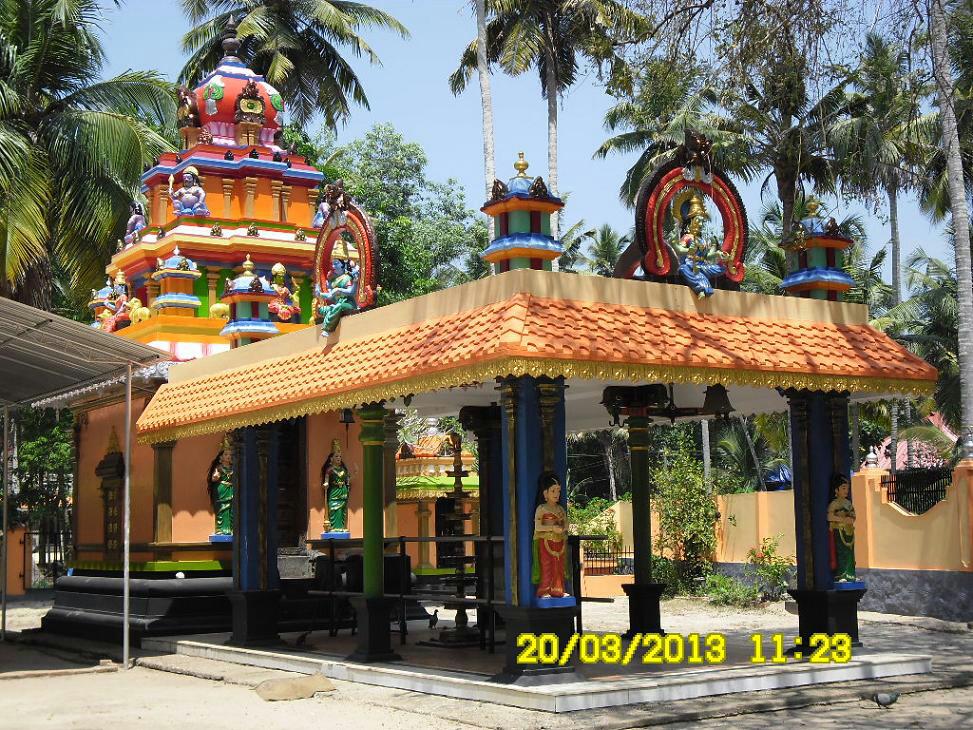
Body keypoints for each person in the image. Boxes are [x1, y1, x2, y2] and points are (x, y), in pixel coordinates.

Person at [532, 471, 570, 598]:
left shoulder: (560, 509)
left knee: (558, 566)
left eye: (558, 491)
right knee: (547, 566)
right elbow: (537, 526)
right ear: (545, 493)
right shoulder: (541, 509)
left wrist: (562, 528)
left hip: (559, 542)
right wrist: (552, 528)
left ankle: (558, 590)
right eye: (553, 491)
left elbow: (566, 525)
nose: (557, 494)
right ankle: (544, 591)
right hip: (545, 542)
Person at [827, 474, 856, 582]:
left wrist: (850, 519)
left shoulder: (848, 503)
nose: (846, 491)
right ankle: (842, 575)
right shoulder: (834, 504)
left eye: (847, 488)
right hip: (839, 531)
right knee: (842, 554)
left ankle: (850, 574)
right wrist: (843, 519)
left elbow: (853, 516)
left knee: (850, 554)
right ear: (836, 490)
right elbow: (829, 516)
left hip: (849, 532)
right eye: (843, 488)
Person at [316, 259, 357, 333]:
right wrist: (320, 294)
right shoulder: (334, 281)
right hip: (338, 303)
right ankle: (329, 321)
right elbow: (330, 296)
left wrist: (339, 290)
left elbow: (352, 292)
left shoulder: (347, 278)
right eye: (333, 264)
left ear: (342, 265)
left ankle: (328, 329)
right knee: (322, 310)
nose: (333, 266)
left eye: (336, 263)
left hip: (348, 303)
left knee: (338, 307)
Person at [322, 440, 350, 532]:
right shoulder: (329, 469)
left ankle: (341, 527)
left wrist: (354, 474)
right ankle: (333, 528)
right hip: (334, 491)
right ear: (331, 458)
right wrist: (326, 483)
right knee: (333, 508)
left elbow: (347, 479)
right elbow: (326, 479)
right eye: (336, 456)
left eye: (340, 456)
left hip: (343, 491)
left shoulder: (343, 469)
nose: (338, 458)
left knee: (342, 510)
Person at [208, 442, 233, 535]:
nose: (228, 456)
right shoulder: (219, 468)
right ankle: (220, 530)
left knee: (231, 510)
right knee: (222, 509)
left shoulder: (233, 468)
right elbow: (213, 478)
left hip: (231, 490)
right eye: (226, 454)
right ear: (221, 457)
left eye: (230, 455)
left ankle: (231, 529)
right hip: (221, 490)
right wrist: (215, 476)